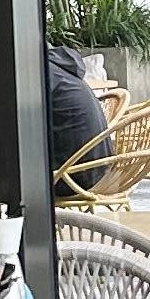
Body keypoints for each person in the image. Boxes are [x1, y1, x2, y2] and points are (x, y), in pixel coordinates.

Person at [45, 39, 113, 190]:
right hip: (99, 169)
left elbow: (18, 123)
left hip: (72, 178)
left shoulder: (41, 75)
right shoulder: (62, 71)